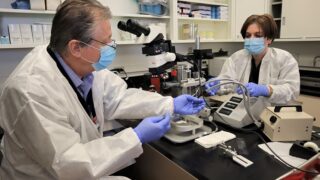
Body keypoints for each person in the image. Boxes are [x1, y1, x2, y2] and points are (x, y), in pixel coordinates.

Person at [0, 0, 205, 179]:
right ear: (76, 47)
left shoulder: (84, 63)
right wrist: (136, 136)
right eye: (105, 42)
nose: (111, 47)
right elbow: (68, 163)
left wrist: (169, 104)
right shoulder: (31, 92)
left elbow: (119, 97)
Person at [206, 14, 300, 107]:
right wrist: (217, 83)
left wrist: (267, 90)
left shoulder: (285, 59)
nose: (251, 39)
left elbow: (292, 91)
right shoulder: (236, 58)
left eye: (258, 35)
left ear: (269, 39)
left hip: (272, 114)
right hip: (243, 112)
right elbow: (227, 81)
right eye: (248, 35)